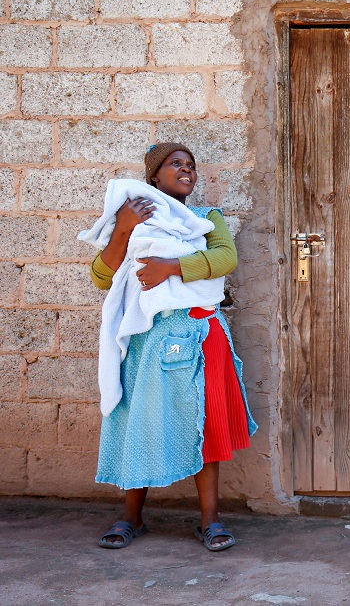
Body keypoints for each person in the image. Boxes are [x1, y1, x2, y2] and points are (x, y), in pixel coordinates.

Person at [84, 142, 257, 552]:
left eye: (190, 165)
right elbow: (101, 277)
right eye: (175, 164)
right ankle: (131, 517)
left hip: (199, 332)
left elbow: (225, 258)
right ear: (154, 176)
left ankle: (210, 521)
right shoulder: (133, 218)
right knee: (139, 420)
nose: (186, 170)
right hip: (146, 337)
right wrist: (125, 227)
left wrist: (171, 268)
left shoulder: (204, 219)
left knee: (206, 421)